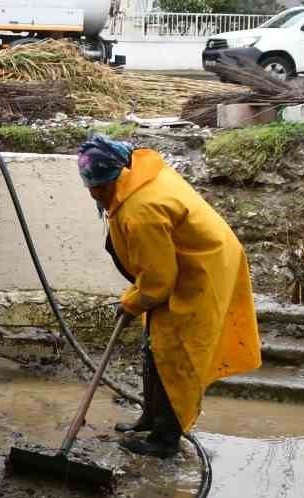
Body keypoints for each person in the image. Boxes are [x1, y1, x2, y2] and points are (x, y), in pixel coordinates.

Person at [78, 135, 261, 458]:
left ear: (110, 181)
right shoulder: (133, 177)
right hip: (182, 262)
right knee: (153, 345)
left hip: (202, 271)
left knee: (174, 355)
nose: (92, 194)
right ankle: (150, 417)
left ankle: (165, 440)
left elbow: (159, 284)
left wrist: (132, 302)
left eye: (96, 188)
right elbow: (154, 271)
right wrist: (139, 295)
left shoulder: (141, 210)